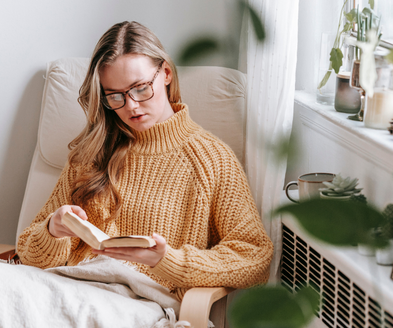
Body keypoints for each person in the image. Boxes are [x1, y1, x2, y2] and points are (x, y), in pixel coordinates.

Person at [16, 21, 273, 301]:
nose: (131, 106)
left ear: (165, 73)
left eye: (140, 88)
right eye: (114, 96)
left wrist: (168, 261)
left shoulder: (212, 160)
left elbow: (255, 257)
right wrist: (52, 230)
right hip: (66, 289)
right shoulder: (92, 152)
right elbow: (28, 251)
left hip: (136, 304)